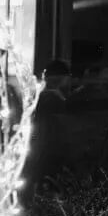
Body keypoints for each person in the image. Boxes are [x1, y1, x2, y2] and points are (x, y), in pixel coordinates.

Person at [20, 60, 71, 202]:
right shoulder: (54, 97)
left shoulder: (38, 95)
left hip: (36, 142)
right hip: (47, 145)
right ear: (61, 78)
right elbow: (56, 127)